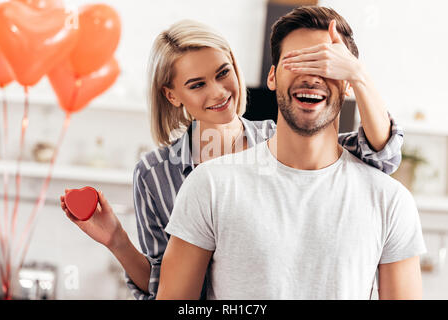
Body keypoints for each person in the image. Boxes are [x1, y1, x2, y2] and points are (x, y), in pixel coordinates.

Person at [60, 17, 404, 300]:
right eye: (197, 85)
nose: (219, 92)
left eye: (223, 73)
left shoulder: (285, 139)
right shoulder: (155, 173)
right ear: (172, 94)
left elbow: (382, 154)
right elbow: (164, 288)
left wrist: (355, 75)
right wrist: (116, 240)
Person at [156, 7, 426, 300]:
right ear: (272, 77)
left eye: (327, 64)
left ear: (348, 83)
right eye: (296, 62)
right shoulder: (210, 186)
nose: (311, 76)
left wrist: (359, 75)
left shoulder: (390, 202)